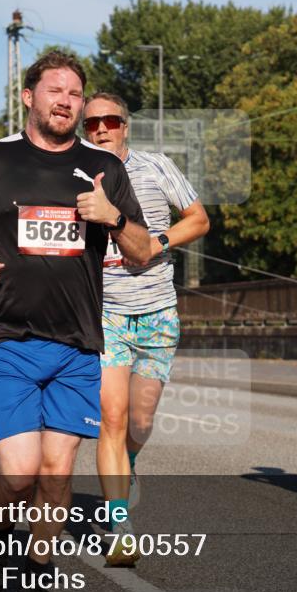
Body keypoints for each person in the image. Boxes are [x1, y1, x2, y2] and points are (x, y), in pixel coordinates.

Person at [0, 50, 149, 592]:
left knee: (56, 477)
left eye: (75, 94)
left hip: (78, 342)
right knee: (22, 471)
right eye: (54, 90)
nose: (66, 101)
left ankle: (32, 583)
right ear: (29, 97)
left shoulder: (103, 169)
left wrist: (113, 217)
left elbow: (146, 251)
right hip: (8, 336)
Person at [82, 92, 210, 565]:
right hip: (105, 314)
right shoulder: (70, 174)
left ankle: (130, 460)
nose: (100, 129)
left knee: (139, 421)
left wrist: (158, 241)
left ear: (125, 126)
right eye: (91, 122)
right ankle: (119, 525)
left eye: (110, 121)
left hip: (157, 312)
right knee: (111, 421)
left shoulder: (157, 166)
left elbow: (199, 219)